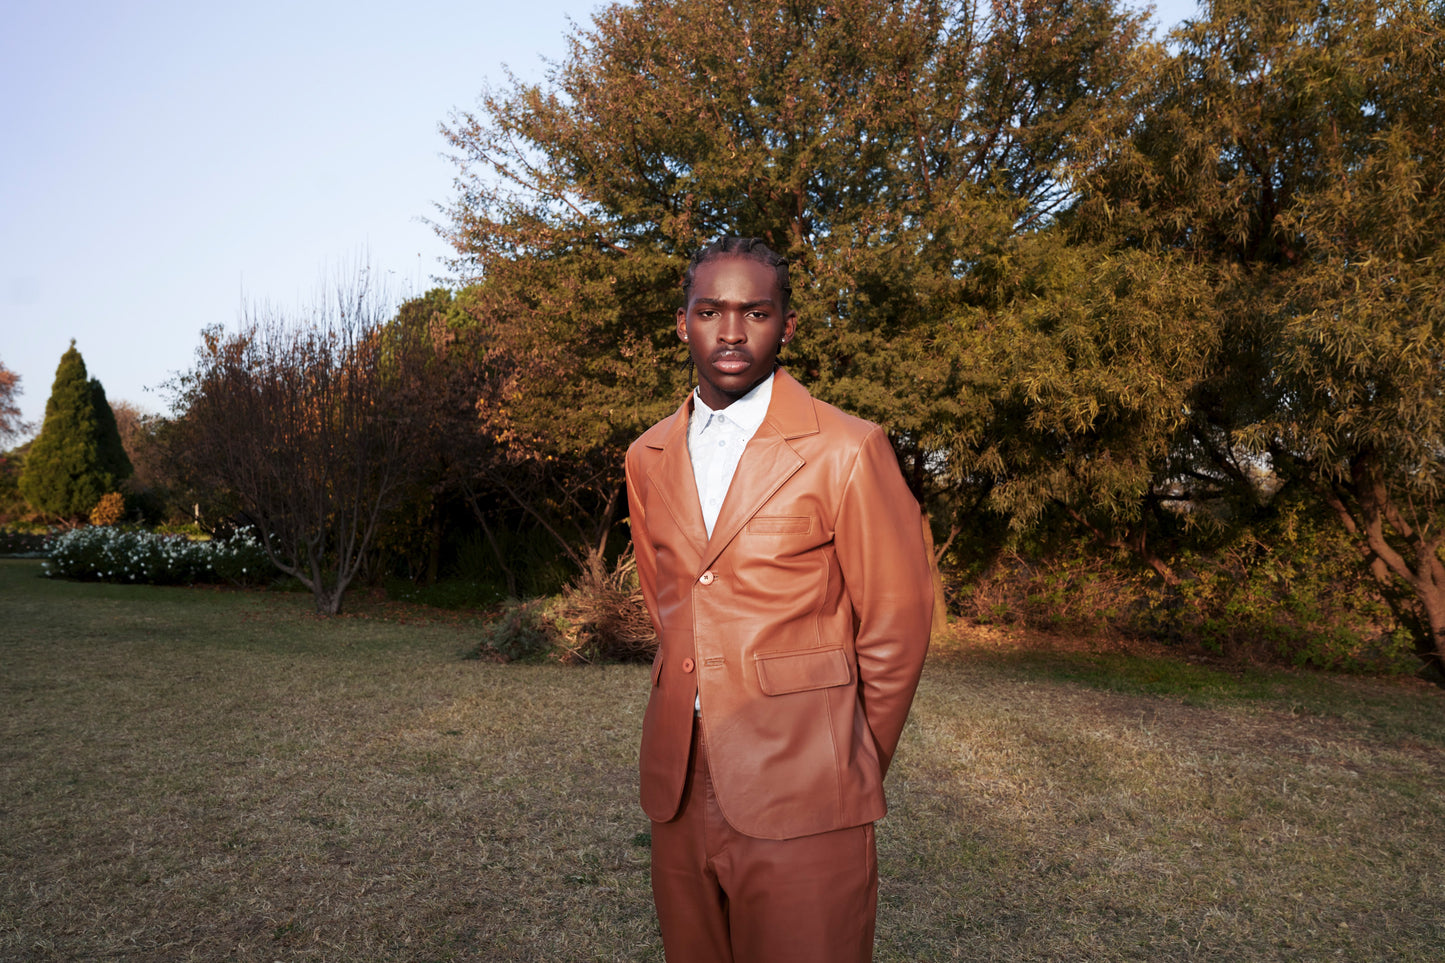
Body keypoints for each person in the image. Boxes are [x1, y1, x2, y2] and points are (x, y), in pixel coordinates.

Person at [624, 236, 934, 962]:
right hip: (678, 786)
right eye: (709, 311)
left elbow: (895, 627)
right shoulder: (647, 455)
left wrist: (846, 761)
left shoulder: (845, 448)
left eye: (754, 312)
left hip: (809, 784)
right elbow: (668, 603)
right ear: (682, 323)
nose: (730, 332)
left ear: (785, 325)